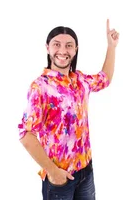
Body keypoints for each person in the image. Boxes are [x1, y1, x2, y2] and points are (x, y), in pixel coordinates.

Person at [17, 19, 119, 200]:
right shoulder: (40, 86)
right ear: (47, 48)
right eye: (57, 45)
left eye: (69, 45)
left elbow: (105, 79)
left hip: (86, 171)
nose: (62, 51)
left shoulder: (80, 80)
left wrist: (111, 46)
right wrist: (53, 172)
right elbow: (26, 135)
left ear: (75, 49)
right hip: (59, 180)